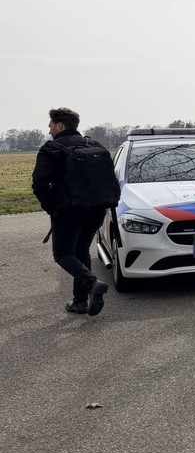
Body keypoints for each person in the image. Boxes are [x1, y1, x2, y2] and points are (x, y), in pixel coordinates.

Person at [31, 108, 119, 316]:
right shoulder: (95, 145)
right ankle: (80, 301)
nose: (49, 129)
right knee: (80, 251)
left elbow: (39, 184)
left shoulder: (51, 149)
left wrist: (52, 207)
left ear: (60, 125)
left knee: (62, 254)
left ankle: (91, 284)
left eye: (51, 124)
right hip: (98, 208)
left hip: (69, 211)